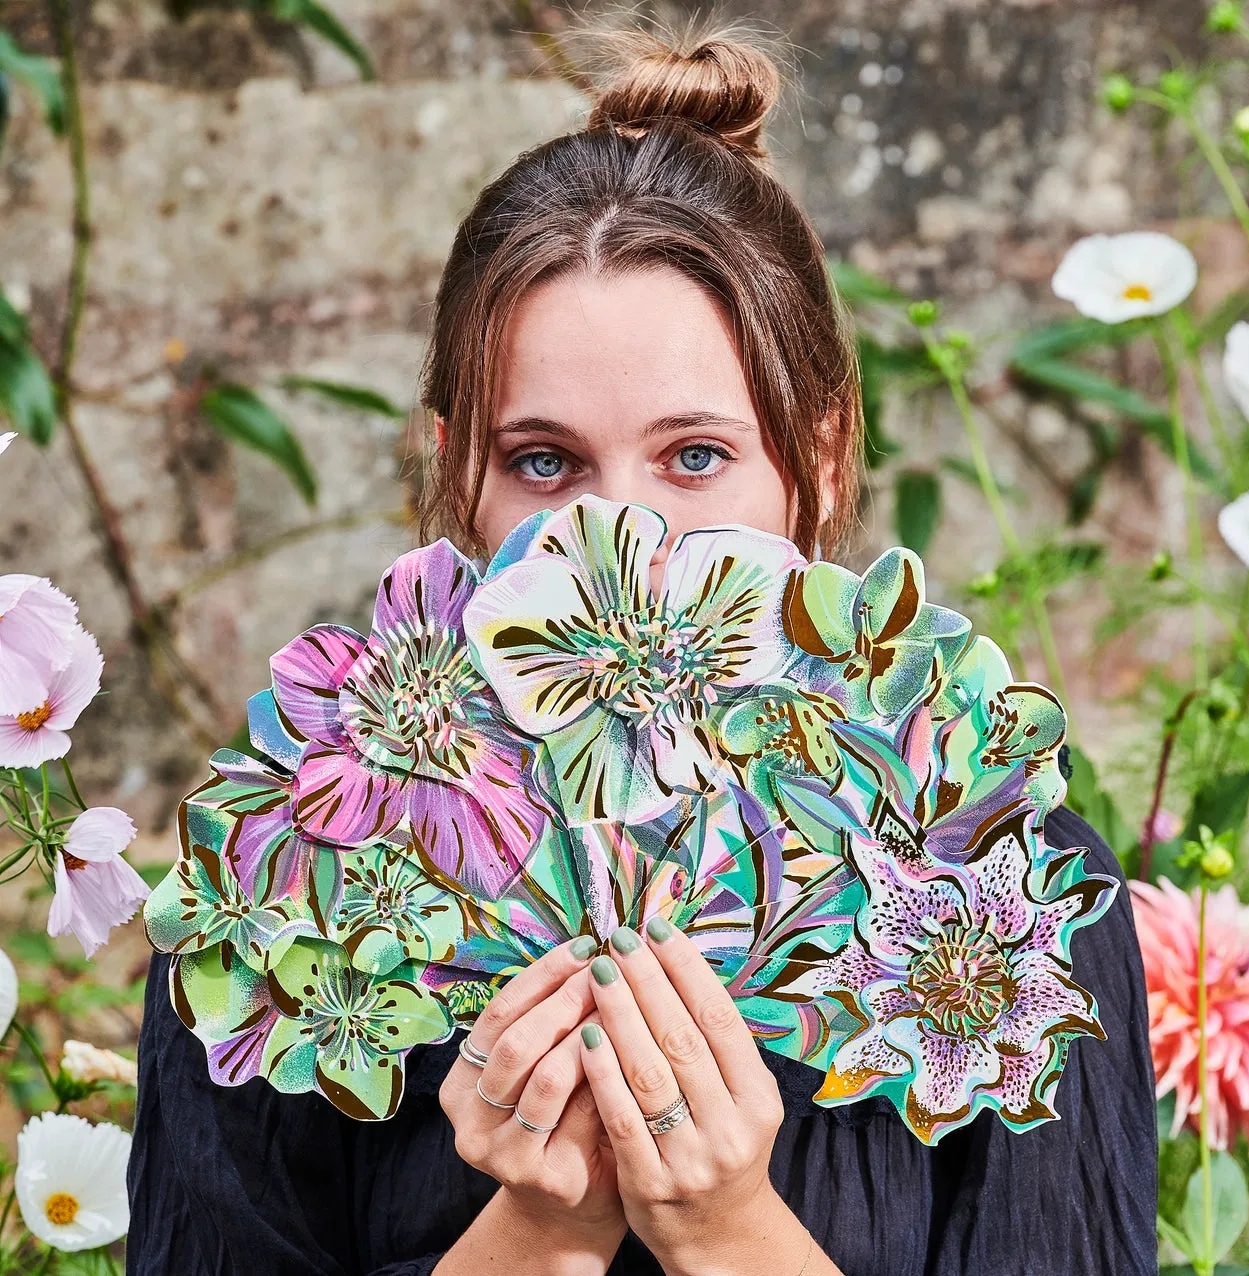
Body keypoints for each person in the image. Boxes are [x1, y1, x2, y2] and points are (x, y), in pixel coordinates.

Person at [126, 22, 1159, 1276]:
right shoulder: (281, 897)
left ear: (817, 457)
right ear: (456, 469)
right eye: (545, 462)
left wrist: (727, 1231)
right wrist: (541, 1237)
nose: (616, 538)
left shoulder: (1008, 887)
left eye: (695, 457)